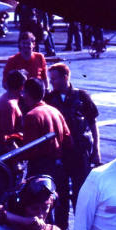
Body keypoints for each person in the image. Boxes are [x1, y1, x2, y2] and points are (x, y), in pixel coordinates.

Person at [44, 63, 101, 220]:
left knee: (81, 193)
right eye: (50, 79)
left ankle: (82, 227)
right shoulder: (48, 99)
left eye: (54, 79)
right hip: (59, 154)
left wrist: (96, 150)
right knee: (60, 194)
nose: (52, 82)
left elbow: (93, 123)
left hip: (80, 154)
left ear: (65, 77)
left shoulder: (82, 97)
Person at [22, 78, 72, 230]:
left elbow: (30, 150)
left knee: (41, 205)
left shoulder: (32, 116)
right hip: (59, 164)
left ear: (28, 94)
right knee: (60, 200)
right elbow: (68, 138)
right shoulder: (54, 111)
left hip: (41, 166)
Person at [0, 69, 26, 157]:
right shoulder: (9, 105)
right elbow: (8, 139)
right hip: (5, 153)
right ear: (22, 87)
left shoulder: (5, 99)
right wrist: (17, 164)